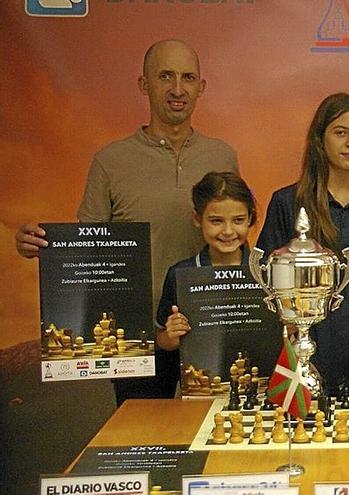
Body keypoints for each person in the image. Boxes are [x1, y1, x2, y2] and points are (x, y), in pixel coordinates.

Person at [14, 39, 238, 404]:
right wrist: (39, 245)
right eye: (165, 77)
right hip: (138, 339)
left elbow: (235, 239)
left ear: (201, 87)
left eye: (188, 77)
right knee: (144, 445)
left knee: (216, 449)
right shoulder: (110, 161)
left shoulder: (223, 156)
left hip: (213, 331)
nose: (177, 89)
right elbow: (86, 249)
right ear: (143, 84)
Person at [257, 93, 349, 396]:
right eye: (341, 133)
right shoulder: (287, 203)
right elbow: (265, 286)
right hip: (306, 361)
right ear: (320, 139)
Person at [154, 172, 258, 397]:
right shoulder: (181, 274)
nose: (228, 231)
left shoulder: (267, 271)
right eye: (216, 221)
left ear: (250, 218)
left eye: (238, 220)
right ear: (197, 218)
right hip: (202, 394)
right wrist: (171, 336)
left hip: (260, 393)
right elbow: (163, 340)